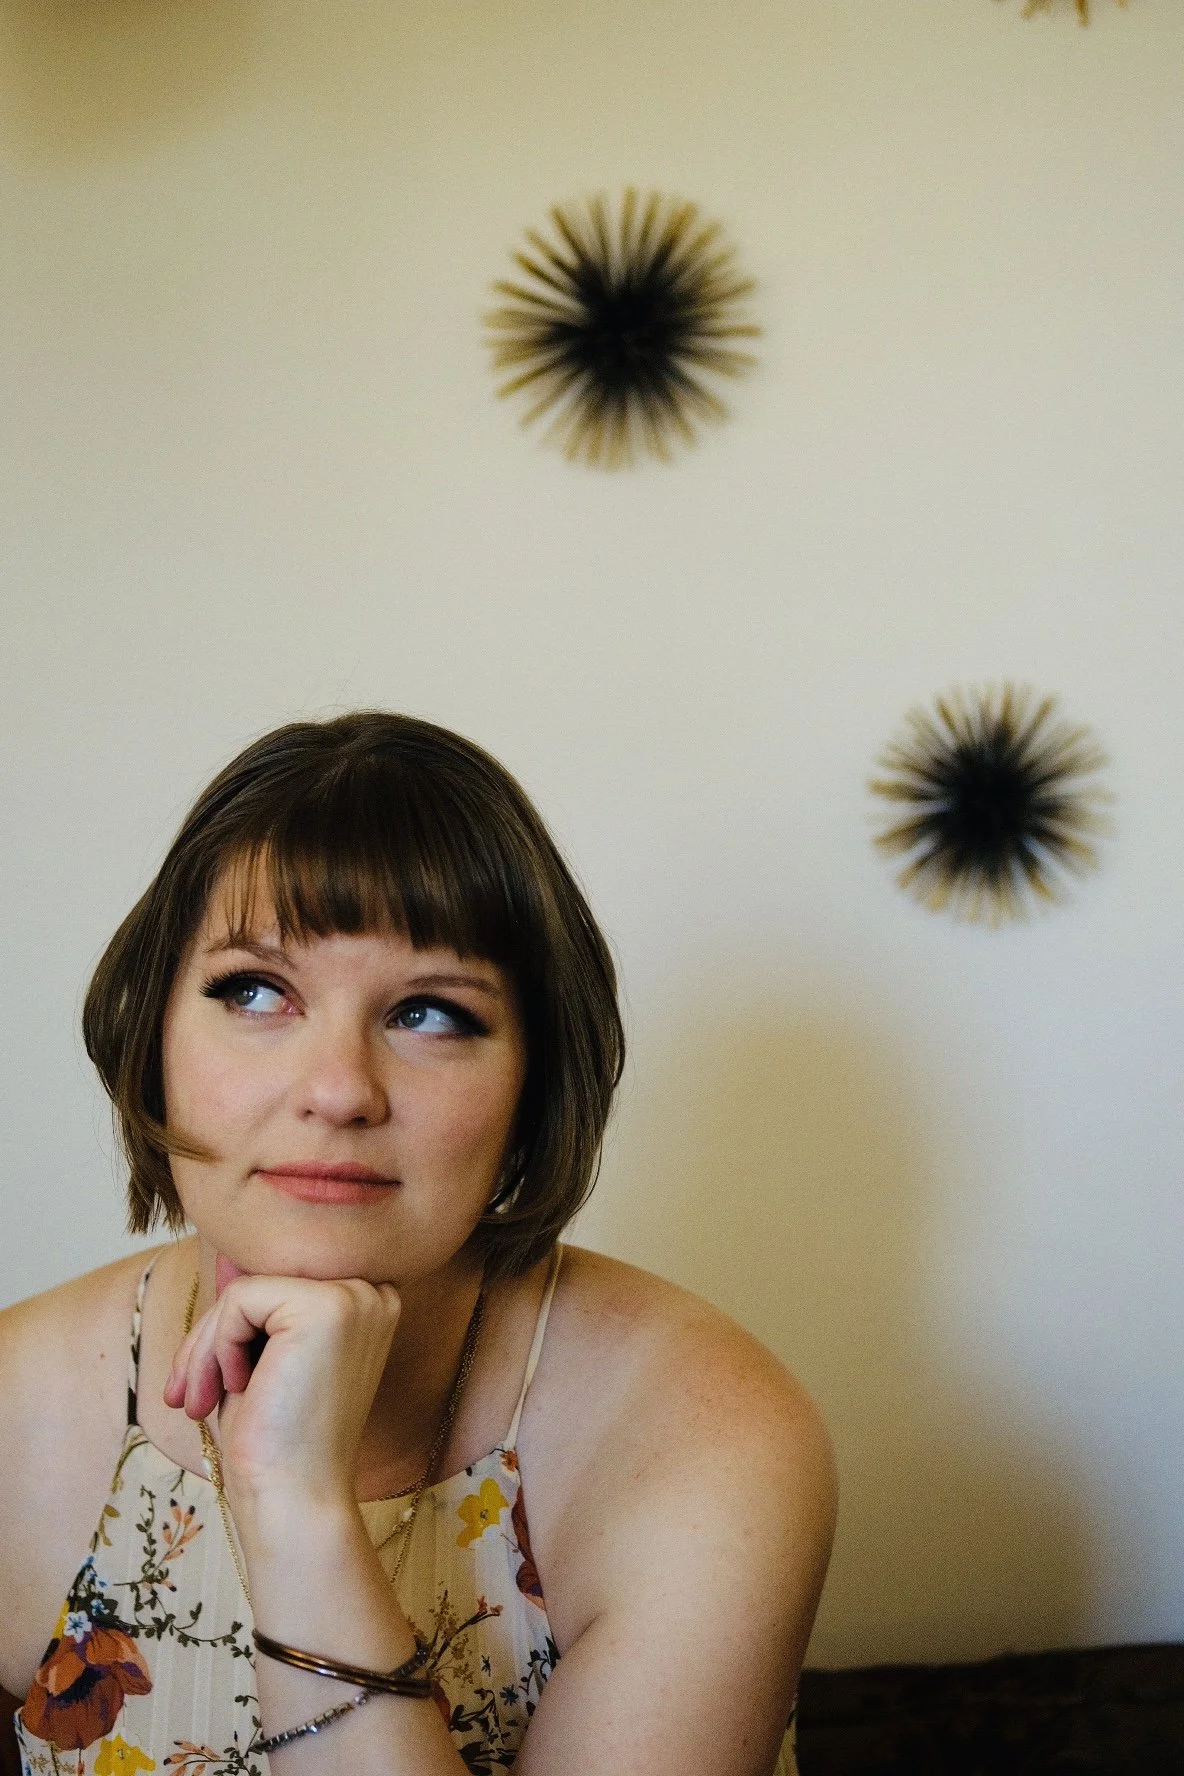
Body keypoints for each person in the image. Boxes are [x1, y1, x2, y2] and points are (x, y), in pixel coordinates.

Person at [0, 711, 836, 1776]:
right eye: (255, 990)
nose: (338, 1089)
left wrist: (299, 1510)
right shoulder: (12, 1409)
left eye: (431, 1013)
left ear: (533, 1082)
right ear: (148, 1030)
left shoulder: (702, 1437)